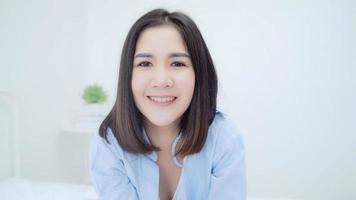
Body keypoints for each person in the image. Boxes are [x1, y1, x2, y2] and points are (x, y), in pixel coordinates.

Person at [89, 8, 246, 200]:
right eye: (145, 64)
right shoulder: (109, 143)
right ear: (128, 75)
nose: (161, 80)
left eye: (178, 64)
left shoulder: (223, 138)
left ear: (199, 73)